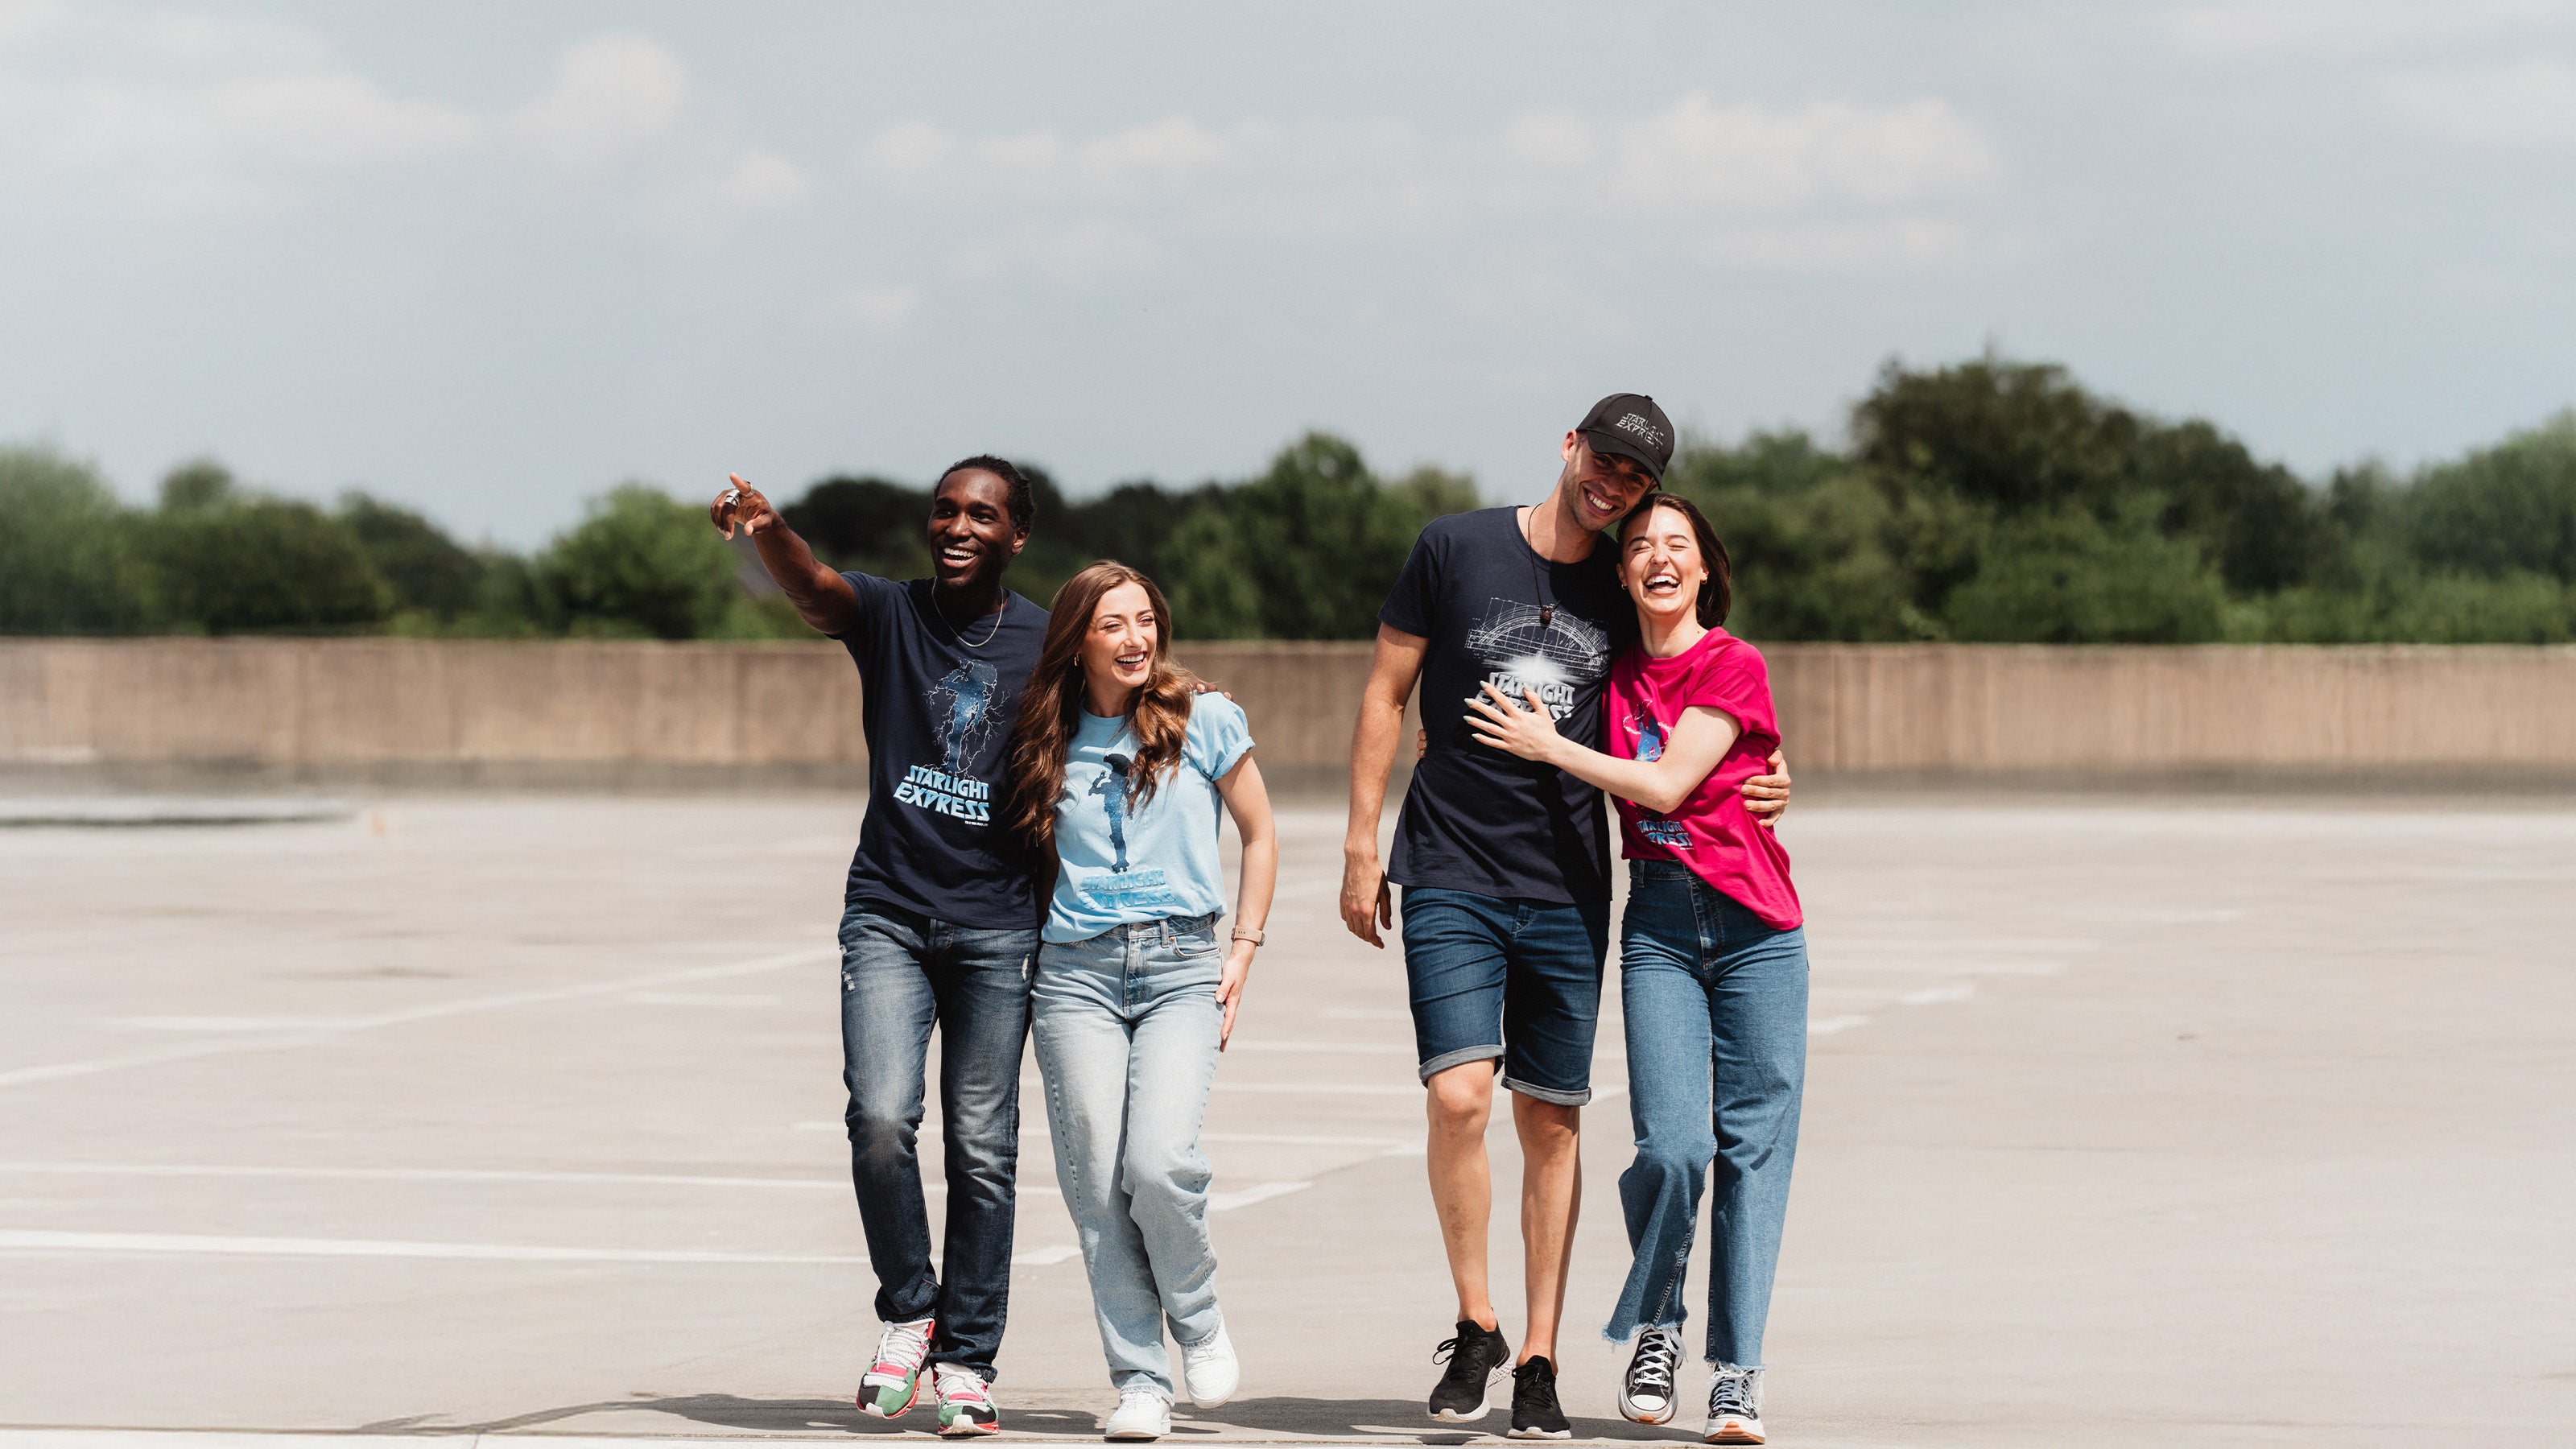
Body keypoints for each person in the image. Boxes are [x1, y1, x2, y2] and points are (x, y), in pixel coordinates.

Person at [1339, 394, 1792, 1439]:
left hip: (1567, 882)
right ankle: (1477, 1320)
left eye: (1638, 478)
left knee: (1548, 1118)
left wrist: (1777, 777)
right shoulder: (1451, 548)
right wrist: (1362, 844)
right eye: (1607, 460)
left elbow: (1707, 681)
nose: (1615, 485)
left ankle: (1539, 1355)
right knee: (1458, 1097)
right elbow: (1383, 694)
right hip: (1447, 861)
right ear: (1569, 445)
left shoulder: (1627, 583)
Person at [709, 459, 1048, 1437]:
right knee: (880, 1118)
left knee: (983, 1148)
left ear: (1014, 536)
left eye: (980, 515)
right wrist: (771, 528)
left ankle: (968, 1360)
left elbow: (1124, 685)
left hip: (998, 923)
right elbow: (813, 589)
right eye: (944, 510)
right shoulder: (890, 615)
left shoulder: (1042, 638)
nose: (956, 525)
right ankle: (910, 1310)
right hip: (889, 910)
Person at [1465, 493, 1806, 1447]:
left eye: (1677, 547)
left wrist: (1551, 747)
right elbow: (1500, 693)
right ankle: (1656, 1325)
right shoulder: (1606, 675)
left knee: (1751, 1158)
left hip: (1756, 932)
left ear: (1704, 570)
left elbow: (1663, 783)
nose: (1658, 558)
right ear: (1620, 576)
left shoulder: (1732, 662)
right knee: (1672, 1149)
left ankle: (1735, 1373)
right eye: (1641, 547)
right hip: (1657, 925)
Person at [1003, 563, 1277, 1443]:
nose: (1134, 639)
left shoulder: (1204, 717)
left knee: (1157, 1165)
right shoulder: (1044, 731)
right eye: (1112, 625)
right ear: (1077, 637)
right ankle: (1139, 1381)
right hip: (1074, 975)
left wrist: (1242, 949)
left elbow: (1260, 833)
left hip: (1178, 967)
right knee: (1095, 1188)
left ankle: (1196, 1320)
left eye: (1145, 621)